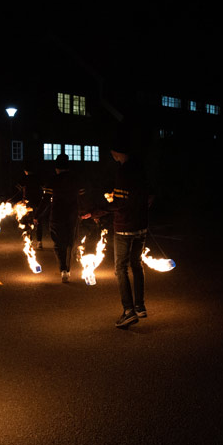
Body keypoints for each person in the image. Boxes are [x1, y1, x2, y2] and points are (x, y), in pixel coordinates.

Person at [83, 128, 153, 327]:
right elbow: (148, 196)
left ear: (117, 152)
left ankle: (128, 310)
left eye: (112, 151)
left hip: (125, 226)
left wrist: (98, 210)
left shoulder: (123, 172)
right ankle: (140, 306)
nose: (111, 155)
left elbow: (120, 203)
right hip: (141, 225)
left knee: (120, 268)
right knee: (136, 264)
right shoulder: (141, 169)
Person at [35, 153, 85, 282]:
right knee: (70, 242)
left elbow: (45, 199)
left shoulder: (53, 180)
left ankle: (62, 269)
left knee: (58, 243)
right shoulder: (77, 179)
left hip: (57, 215)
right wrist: (86, 212)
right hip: (72, 215)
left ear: (57, 167)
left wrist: (37, 215)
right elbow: (82, 198)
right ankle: (67, 270)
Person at [18, 165, 44, 247]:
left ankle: (30, 241)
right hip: (38, 202)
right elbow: (44, 187)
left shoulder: (25, 178)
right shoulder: (38, 178)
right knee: (38, 221)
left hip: (28, 203)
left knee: (28, 221)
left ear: (26, 171)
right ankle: (39, 242)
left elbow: (18, 187)